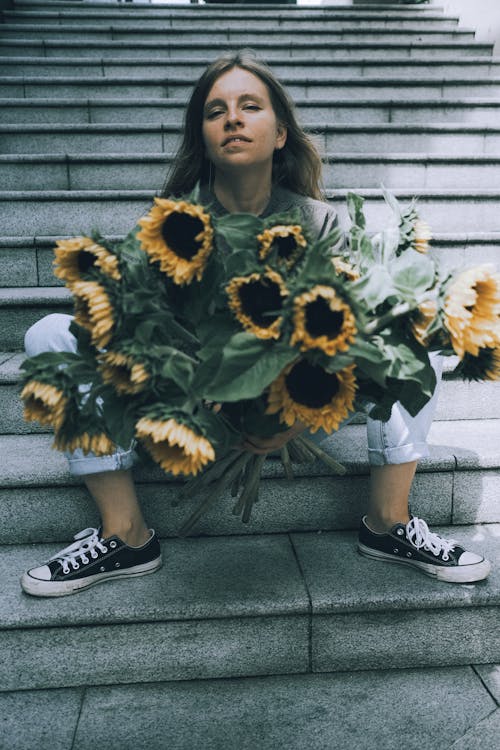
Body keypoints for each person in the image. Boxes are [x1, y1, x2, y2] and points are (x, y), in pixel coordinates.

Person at [21, 51, 490, 597]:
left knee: (417, 323)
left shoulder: (322, 223)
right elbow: (148, 334)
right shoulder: (171, 227)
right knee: (51, 333)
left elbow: (349, 337)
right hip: (189, 406)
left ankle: (388, 522)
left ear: (281, 133)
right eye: (216, 110)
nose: (233, 119)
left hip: (308, 402)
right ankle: (126, 533)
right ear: (204, 135)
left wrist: (293, 409)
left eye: (250, 106)